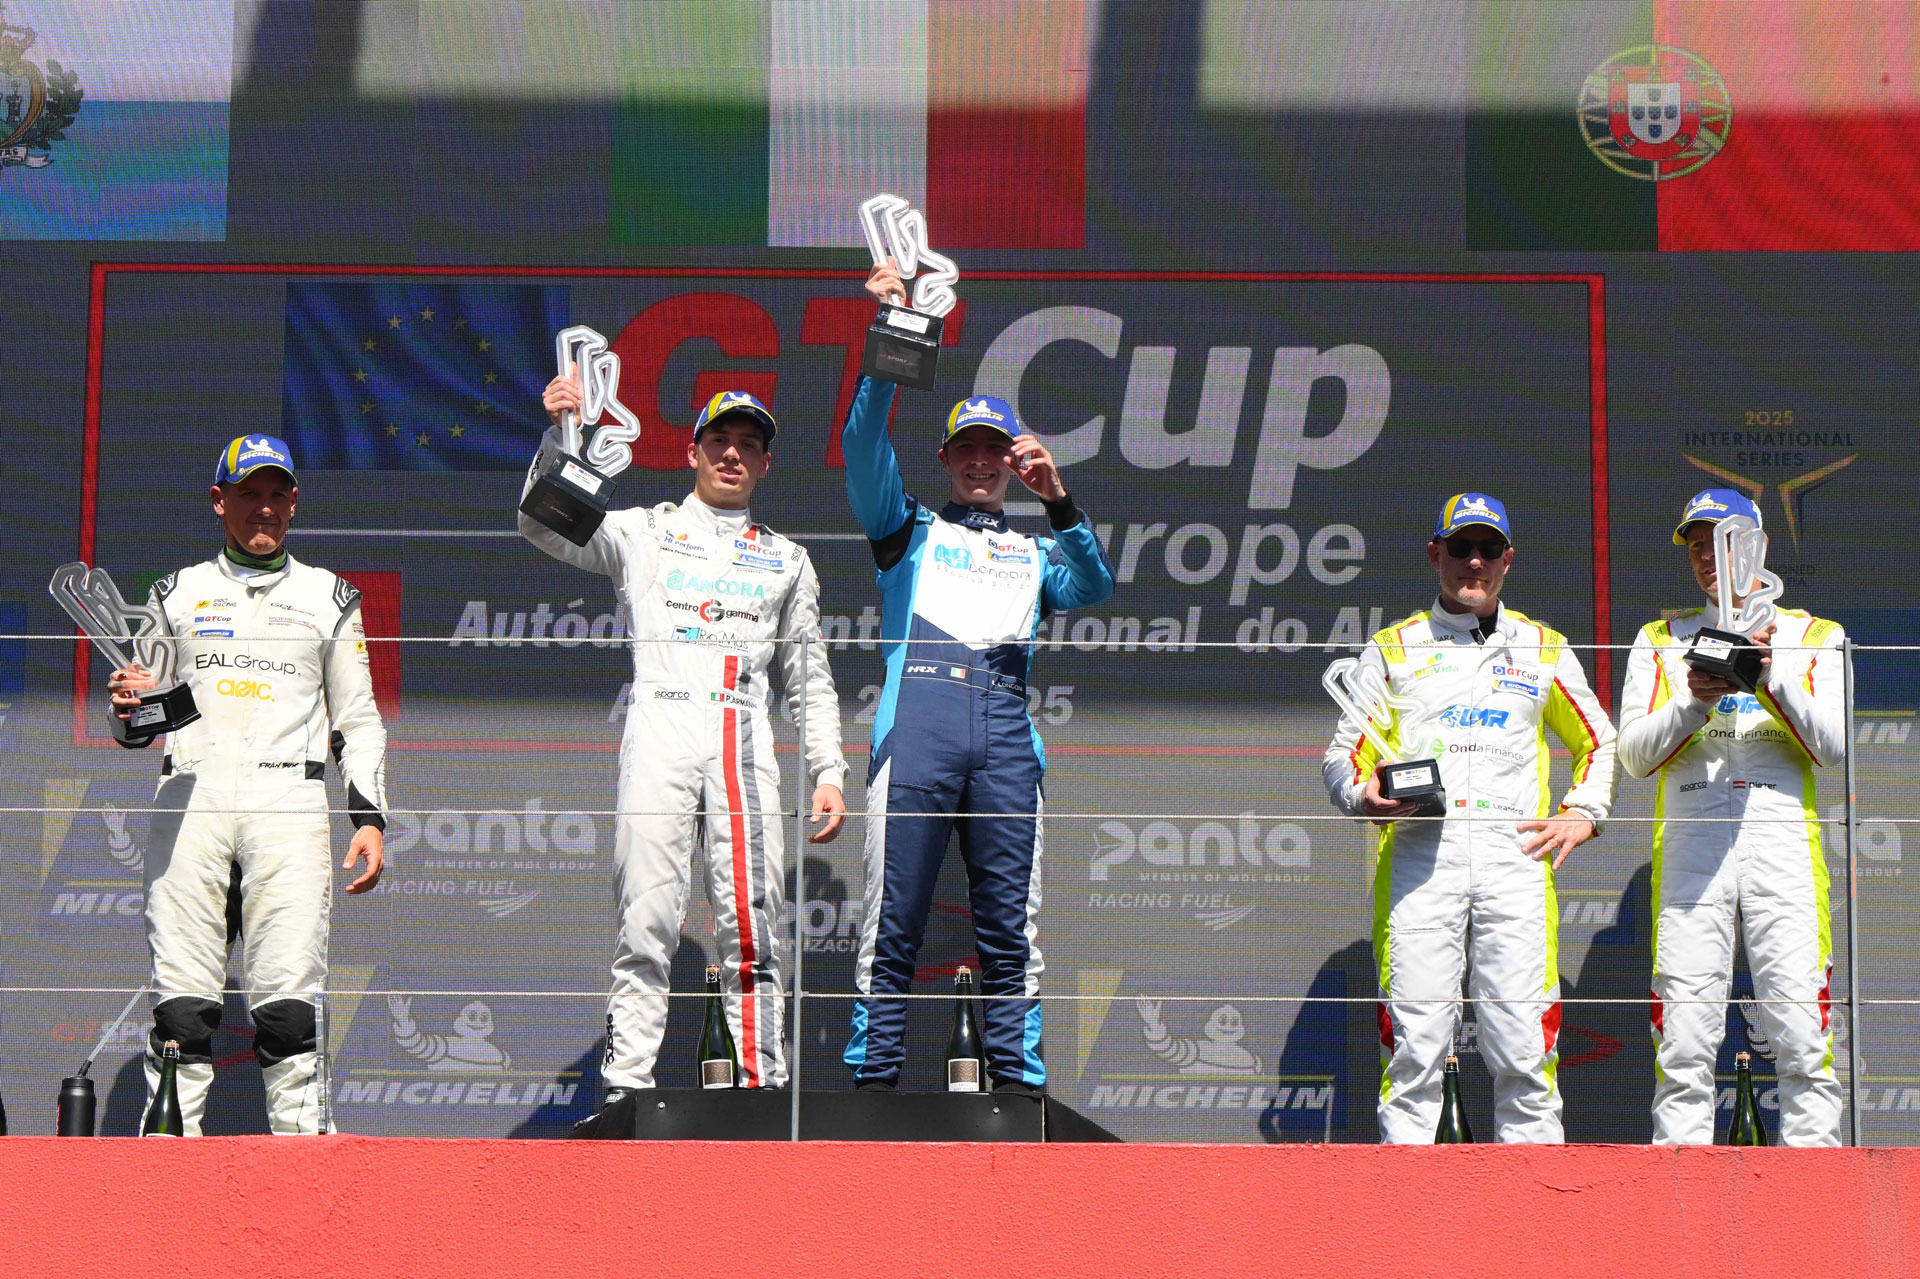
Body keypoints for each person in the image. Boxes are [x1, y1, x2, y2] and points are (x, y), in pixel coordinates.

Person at [521, 381, 847, 1101]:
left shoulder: (788, 558)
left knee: (752, 928)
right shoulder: (643, 530)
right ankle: (625, 1091)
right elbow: (544, 526)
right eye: (719, 441)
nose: (733, 454)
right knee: (645, 921)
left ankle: (761, 1093)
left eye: (749, 445)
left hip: (742, 737)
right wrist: (558, 437)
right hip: (660, 728)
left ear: (764, 463)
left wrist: (828, 769)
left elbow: (809, 678)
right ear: (691, 452)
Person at [839, 258, 1115, 1093]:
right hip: (917, 729)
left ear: (1013, 462)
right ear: (947, 457)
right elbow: (861, 447)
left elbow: (1094, 585)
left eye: (996, 451)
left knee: (1009, 930)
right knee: (893, 920)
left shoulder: (1034, 552)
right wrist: (888, 339)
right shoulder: (908, 530)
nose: (982, 464)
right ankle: (874, 1084)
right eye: (968, 450)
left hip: (1005, 736)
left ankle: (1019, 1089)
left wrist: (1059, 499)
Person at [107, 434, 387, 1135]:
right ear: (218, 500)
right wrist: (126, 710)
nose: (264, 507)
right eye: (248, 493)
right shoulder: (175, 593)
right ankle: (167, 1173)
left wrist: (369, 817)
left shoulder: (330, 597)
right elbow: (139, 717)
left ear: (294, 502)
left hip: (287, 805)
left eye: (276, 494)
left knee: (289, 1008)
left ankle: (303, 1171)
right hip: (191, 802)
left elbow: (358, 719)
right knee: (182, 1008)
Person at [1321, 492, 1616, 1142]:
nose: (1474, 561)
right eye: (1461, 547)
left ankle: (1533, 1205)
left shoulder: (1542, 646)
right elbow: (1343, 756)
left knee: (1524, 1049)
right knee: (1414, 1047)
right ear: (1436, 554)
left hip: (1515, 860)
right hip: (1420, 860)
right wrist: (1363, 796)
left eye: (1488, 549)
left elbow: (1600, 740)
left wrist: (1584, 810)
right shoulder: (1393, 648)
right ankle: (1407, 1201)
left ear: (1508, 560)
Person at [1618, 488, 1846, 1145]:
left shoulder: (1816, 635)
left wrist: (1769, 677)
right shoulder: (1660, 639)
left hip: (1783, 847)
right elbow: (1633, 756)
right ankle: (1679, 1195)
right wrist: (1693, 701)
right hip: (1691, 848)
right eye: (1696, 544)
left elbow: (1833, 748)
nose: (1708, 556)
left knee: (1801, 1035)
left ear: (1759, 547)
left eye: (1723, 541)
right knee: (1684, 1042)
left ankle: (1814, 1194)